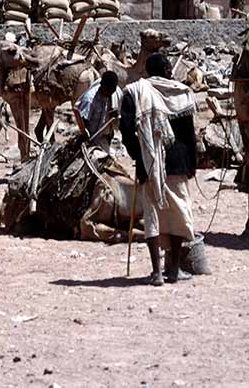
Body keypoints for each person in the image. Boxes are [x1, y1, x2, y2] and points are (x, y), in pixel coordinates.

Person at [120, 53, 198, 286]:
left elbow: (125, 130)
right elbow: (189, 134)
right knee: (178, 213)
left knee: (152, 216)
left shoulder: (134, 92)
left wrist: (140, 155)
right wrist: (192, 163)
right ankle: (172, 270)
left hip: (149, 163)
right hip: (178, 162)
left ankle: (157, 272)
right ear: (166, 69)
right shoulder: (182, 93)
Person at [73, 71, 122, 151]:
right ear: (102, 85)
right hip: (89, 140)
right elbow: (82, 125)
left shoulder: (113, 95)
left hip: (103, 140)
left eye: (113, 90)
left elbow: (117, 122)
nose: (111, 92)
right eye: (108, 90)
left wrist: (115, 117)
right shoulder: (89, 100)